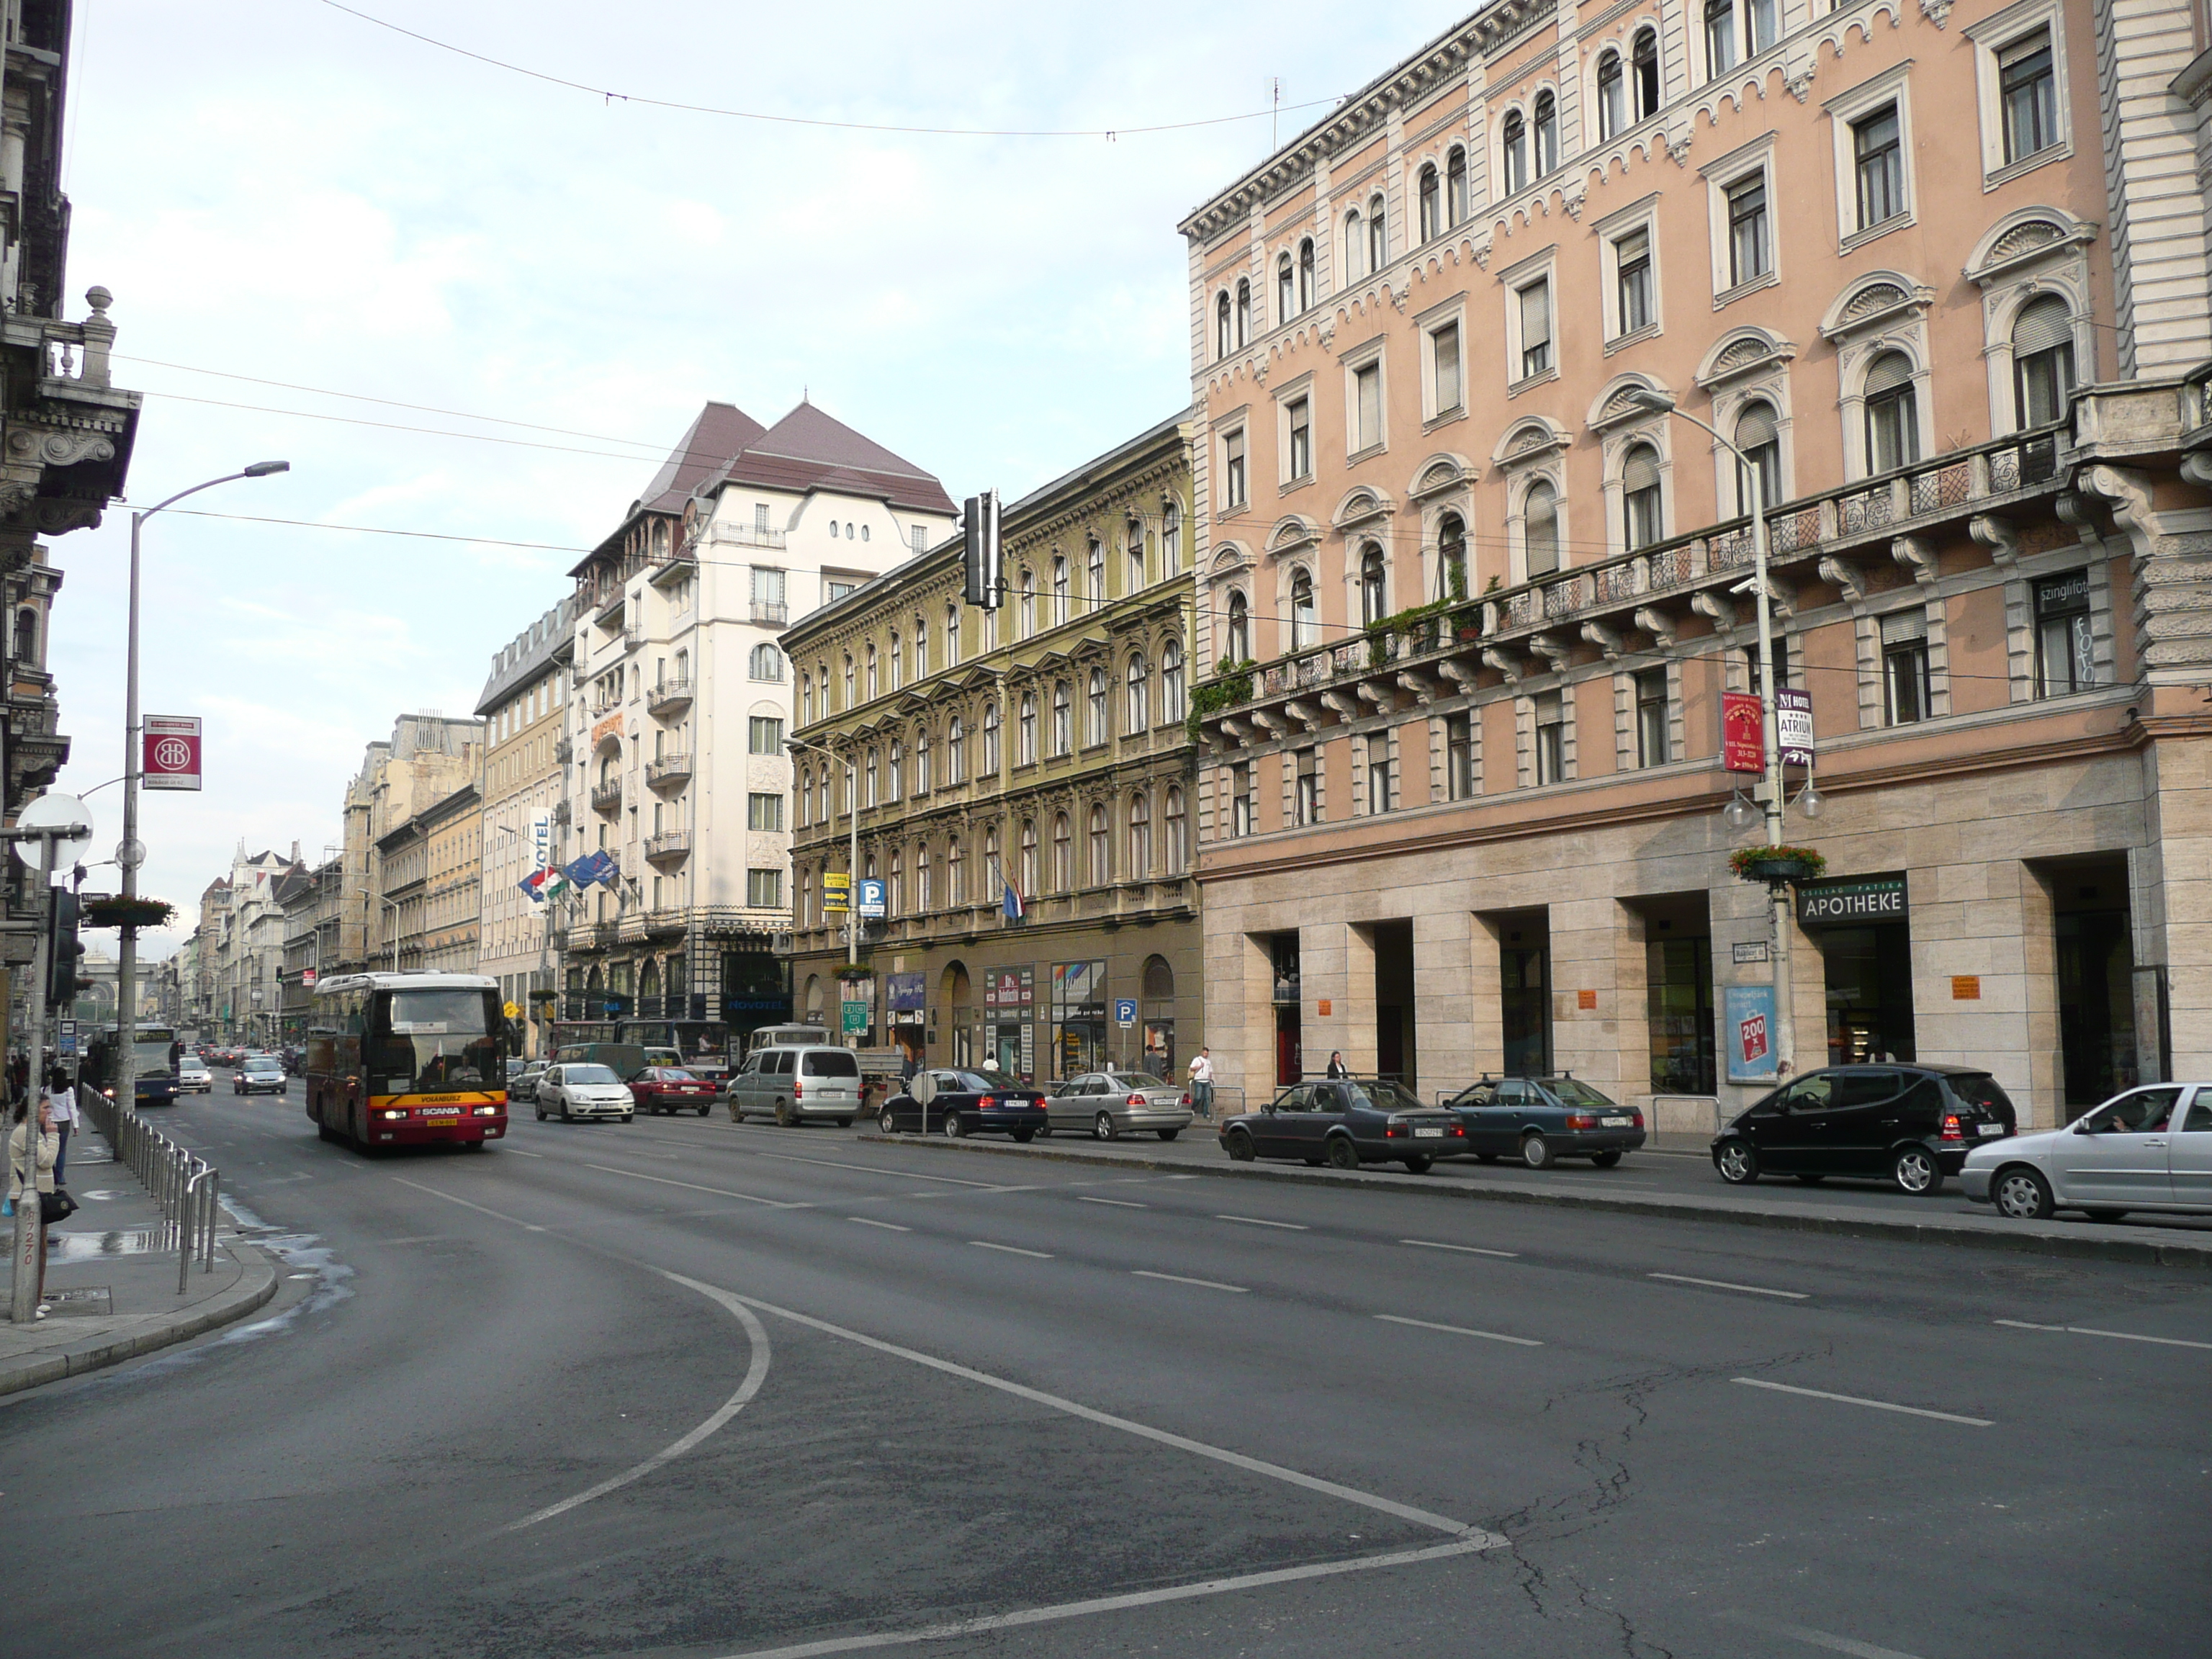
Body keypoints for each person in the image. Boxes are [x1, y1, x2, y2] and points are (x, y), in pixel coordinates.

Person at [45, 1067, 76, 1187]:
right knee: (61, 1150)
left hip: (50, 1122)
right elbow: (72, 1107)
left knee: (50, 1148)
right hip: (64, 1121)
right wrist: (76, 1125)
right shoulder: (68, 1090)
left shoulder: (47, 1089)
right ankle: (60, 1176)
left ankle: (51, 1174)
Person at [1186, 1047, 1215, 1119]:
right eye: (1205, 1053)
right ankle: (1193, 1108)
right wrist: (1199, 1066)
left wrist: (1210, 1078)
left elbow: (1210, 1071)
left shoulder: (1208, 1061)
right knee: (1198, 1097)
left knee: (1207, 1098)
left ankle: (1206, 1113)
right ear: (1202, 1053)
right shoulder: (1197, 1059)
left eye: (1207, 1054)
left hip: (1207, 1081)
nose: (1206, 1055)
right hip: (1199, 1081)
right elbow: (1192, 1068)